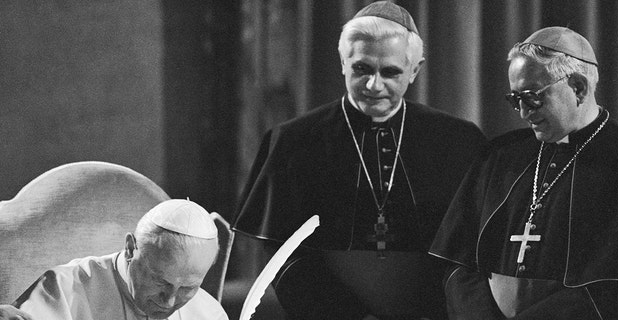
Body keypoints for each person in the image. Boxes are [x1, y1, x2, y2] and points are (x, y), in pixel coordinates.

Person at [232, 1, 486, 319]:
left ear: (415, 70)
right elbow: (285, 256)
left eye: (390, 72)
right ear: (343, 62)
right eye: (362, 69)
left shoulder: (458, 141)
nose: (373, 85)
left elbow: (468, 252)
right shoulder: (293, 141)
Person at [429, 26, 618, 319]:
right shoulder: (499, 156)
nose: (523, 113)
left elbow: (617, 288)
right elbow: (457, 262)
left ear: (578, 87)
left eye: (531, 97)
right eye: (514, 99)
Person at [1, 199, 228, 320]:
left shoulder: (209, 313)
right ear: (130, 248)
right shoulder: (62, 290)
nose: (169, 301)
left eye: (188, 288)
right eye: (161, 281)